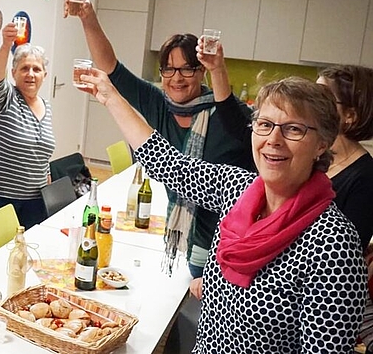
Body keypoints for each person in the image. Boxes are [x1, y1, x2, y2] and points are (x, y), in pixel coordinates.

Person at [81, 71, 367, 352]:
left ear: (322, 144)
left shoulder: (333, 244)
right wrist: (110, 97)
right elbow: (168, 164)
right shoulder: (238, 189)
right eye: (265, 124)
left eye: (294, 129)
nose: (274, 139)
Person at [64, 0, 254, 285]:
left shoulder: (226, 115)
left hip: (224, 244)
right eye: (168, 69)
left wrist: (220, 68)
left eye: (187, 69)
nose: (176, 78)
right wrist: (88, 17)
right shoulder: (159, 104)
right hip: (179, 237)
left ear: (201, 70)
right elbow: (112, 69)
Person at [0, 22, 55, 229]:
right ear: (14, 73)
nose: (31, 74)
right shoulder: (6, 99)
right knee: (2, 256)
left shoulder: (46, 106)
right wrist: (6, 45)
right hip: (1, 197)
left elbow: (42, 154)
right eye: (24, 68)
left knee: (29, 252)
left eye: (36, 69)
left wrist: (47, 184)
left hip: (36, 199)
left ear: (44, 76)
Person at [316, 65, 373, 249]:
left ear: (350, 115)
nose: (312, 102)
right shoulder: (313, 154)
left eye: (323, 97)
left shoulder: (366, 178)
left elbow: (346, 250)